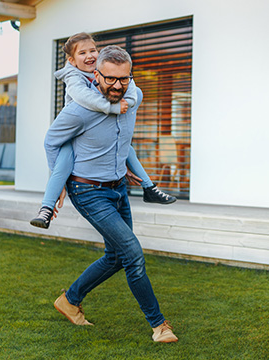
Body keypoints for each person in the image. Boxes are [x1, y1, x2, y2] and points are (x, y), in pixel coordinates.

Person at [45, 45, 178, 343]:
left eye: (124, 79)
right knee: (132, 253)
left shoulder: (135, 96)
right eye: (110, 79)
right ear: (95, 74)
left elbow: (120, 139)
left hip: (118, 188)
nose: (117, 86)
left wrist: (122, 165)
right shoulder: (79, 110)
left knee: (116, 256)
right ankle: (159, 326)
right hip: (87, 190)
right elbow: (51, 141)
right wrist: (59, 182)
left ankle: (70, 299)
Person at [30, 33, 176, 230]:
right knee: (62, 164)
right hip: (75, 136)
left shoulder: (107, 69)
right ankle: (46, 208)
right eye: (82, 53)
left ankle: (149, 187)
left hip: (102, 130)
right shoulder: (73, 76)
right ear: (72, 61)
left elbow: (131, 86)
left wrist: (128, 103)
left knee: (127, 149)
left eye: (92, 50)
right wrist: (114, 108)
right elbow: (85, 99)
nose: (89, 56)